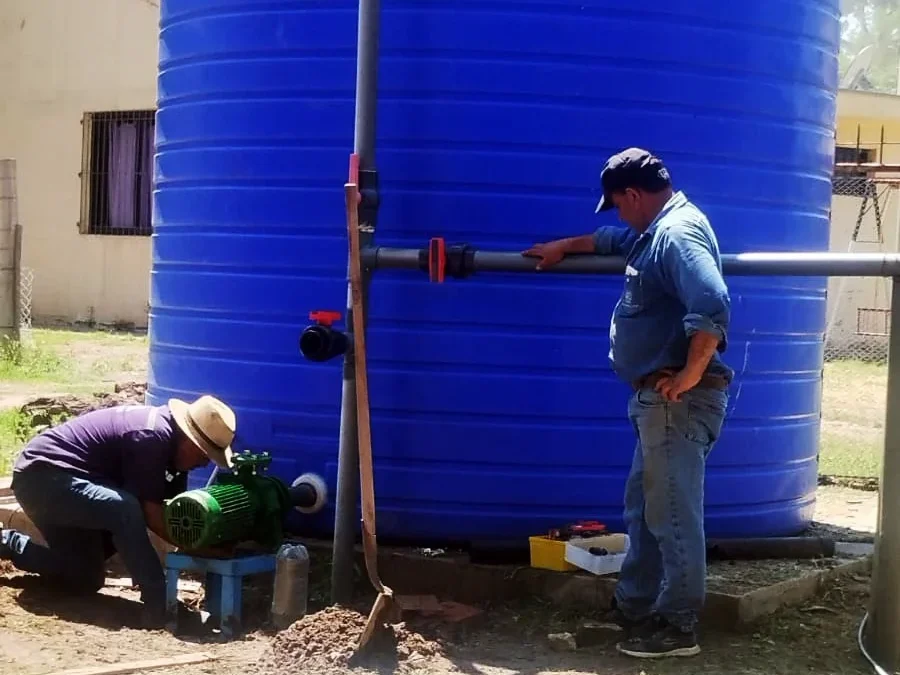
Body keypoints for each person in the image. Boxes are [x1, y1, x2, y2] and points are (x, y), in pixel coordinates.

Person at [523, 147, 732, 659]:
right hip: (658, 402)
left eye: (617, 203)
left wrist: (688, 374)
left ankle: (678, 624)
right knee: (643, 510)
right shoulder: (654, 230)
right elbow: (611, 238)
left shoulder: (677, 236)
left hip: (674, 402)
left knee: (672, 516)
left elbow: (712, 301)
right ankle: (635, 608)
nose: (618, 214)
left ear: (633, 195)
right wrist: (563, 246)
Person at [0, 394, 237, 627]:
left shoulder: (174, 456)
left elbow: (172, 515)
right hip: (42, 478)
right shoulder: (151, 437)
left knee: (84, 577)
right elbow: (151, 514)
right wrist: (199, 547)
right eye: (204, 454)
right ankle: (159, 602)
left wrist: (205, 539)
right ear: (188, 438)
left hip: (70, 486)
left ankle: (8, 544)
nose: (205, 464)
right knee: (123, 508)